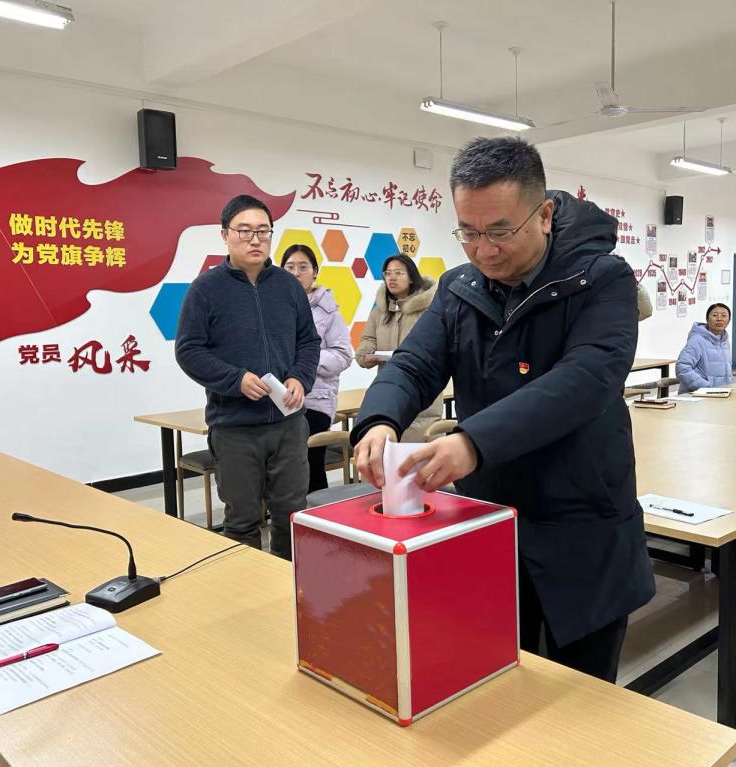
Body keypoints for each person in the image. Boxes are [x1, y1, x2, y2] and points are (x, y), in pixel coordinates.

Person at [351, 136, 655, 683]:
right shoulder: (460, 287)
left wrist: (473, 442)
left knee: (583, 694)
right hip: (490, 517)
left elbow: (586, 379)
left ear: (544, 215)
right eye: (468, 232)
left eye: (499, 231)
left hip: (582, 520)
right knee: (490, 674)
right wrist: (378, 420)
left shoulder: (603, 279)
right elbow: (415, 364)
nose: (483, 250)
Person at [175, 195, 320, 560]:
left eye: (263, 231)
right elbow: (189, 350)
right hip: (235, 427)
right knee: (241, 521)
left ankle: (290, 587)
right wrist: (235, 379)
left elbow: (308, 341)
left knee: (292, 517)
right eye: (244, 231)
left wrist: (300, 378)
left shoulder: (288, 286)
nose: (255, 239)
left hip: (288, 423)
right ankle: (247, 589)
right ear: (225, 235)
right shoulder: (206, 289)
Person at [280, 244, 354, 493]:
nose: (296, 273)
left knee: (310, 467)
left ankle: (317, 513)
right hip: (278, 399)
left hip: (315, 400)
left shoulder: (328, 310)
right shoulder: (273, 307)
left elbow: (343, 355)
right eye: (290, 267)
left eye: (303, 267)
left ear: (315, 272)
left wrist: (305, 361)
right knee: (281, 468)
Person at [355, 254, 442, 442]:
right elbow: (367, 341)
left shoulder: (429, 309)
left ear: (411, 277)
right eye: (387, 273)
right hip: (388, 389)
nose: (392, 278)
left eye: (398, 273)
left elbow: (437, 347)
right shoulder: (379, 312)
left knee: (421, 449)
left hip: (422, 390)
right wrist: (367, 355)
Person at [676, 303, 733, 393]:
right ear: (707, 319)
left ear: (729, 321)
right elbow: (682, 368)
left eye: (723, 316)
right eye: (715, 315)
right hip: (697, 395)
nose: (719, 319)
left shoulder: (724, 341)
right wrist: (706, 387)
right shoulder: (697, 340)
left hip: (720, 394)